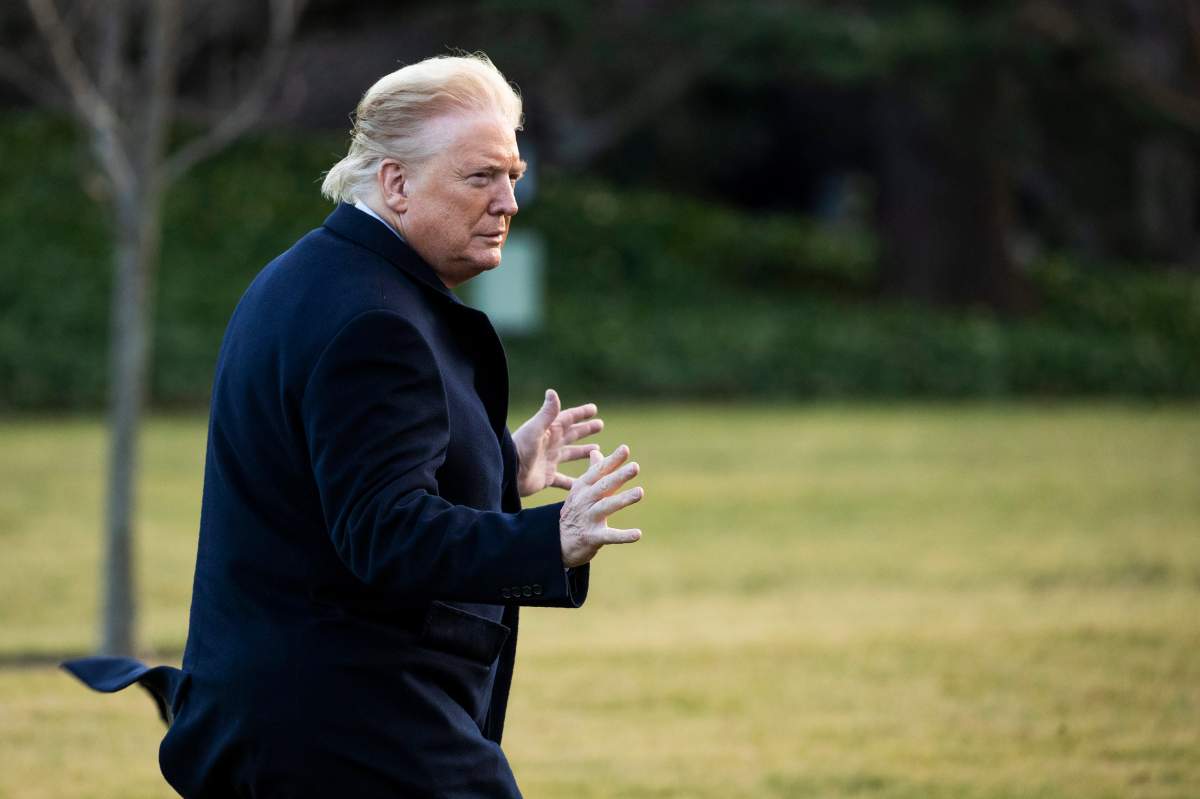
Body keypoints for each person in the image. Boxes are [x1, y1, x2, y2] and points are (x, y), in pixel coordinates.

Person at [63, 52, 645, 797]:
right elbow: (384, 531)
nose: (509, 201)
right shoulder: (374, 319)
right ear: (396, 182)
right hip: (346, 730)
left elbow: (339, 475)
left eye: (513, 174)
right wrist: (549, 536)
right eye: (480, 176)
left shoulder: (318, 275)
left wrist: (498, 462)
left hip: (298, 720)